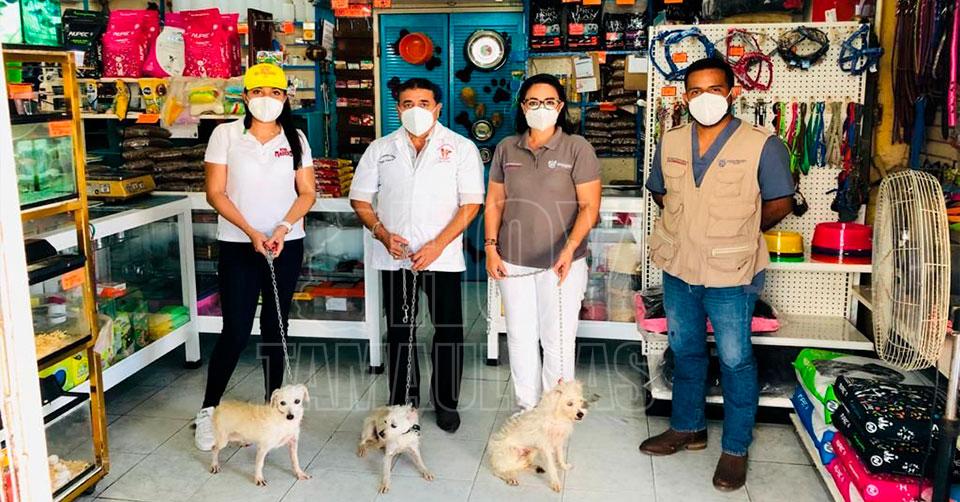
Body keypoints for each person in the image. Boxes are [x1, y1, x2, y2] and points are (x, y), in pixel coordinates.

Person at [638, 57, 794, 491]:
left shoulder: (763, 145)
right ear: (685, 97)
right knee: (685, 351)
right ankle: (687, 428)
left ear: (731, 93)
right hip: (679, 266)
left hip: (732, 270)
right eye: (695, 91)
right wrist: (690, 224)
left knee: (735, 359)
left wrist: (738, 232)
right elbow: (660, 192)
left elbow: (780, 202)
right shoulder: (671, 140)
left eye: (714, 89)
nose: (704, 98)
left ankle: (736, 448)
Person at [349, 78, 484, 432]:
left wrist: (438, 245)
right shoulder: (381, 149)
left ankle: (446, 403)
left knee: (448, 331)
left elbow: (471, 203)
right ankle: (403, 401)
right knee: (400, 330)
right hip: (396, 256)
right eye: (408, 104)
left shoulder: (461, 148)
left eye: (424, 103)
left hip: (442, 256)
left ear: (438, 108)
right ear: (398, 109)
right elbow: (360, 199)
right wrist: (381, 234)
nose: (415, 110)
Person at [193, 63, 316, 451]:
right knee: (235, 329)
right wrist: (251, 232)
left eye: (275, 92)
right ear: (245, 96)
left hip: (285, 244)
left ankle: (273, 412)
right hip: (238, 244)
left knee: (276, 328)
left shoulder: (296, 138)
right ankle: (209, 411)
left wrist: (281, 229)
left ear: (285, 97)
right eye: (259, 91)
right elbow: (215, 192)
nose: (267, 99)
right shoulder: (226, 135)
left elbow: (307, 192)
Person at [485, 74, 602, 412]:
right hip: (513, 262)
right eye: (533, 102)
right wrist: (491, 247)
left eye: (549, 102)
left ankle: (555, 414)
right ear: (523, 107)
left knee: (558, 342)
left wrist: (569, 248)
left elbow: (589, 206)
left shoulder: (577, 148)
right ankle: (527, 410)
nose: (541, 108)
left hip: (562, 263)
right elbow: (494, 202)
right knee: (520, 338)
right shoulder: (507, 148)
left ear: (560, 106)